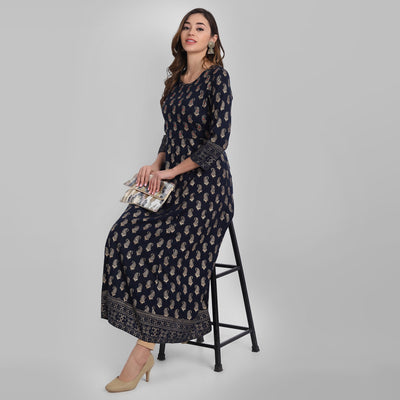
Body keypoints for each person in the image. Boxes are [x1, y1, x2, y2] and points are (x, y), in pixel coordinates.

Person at [101, 7, 234, 393]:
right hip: (169, 181)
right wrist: (156, 164)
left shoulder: (218, 78)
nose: (191, 32)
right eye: (187, 26)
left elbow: (218, 140)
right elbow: (170, 134)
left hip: (207, 188)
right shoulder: (176, 79)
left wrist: (173, 171)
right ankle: (149, 328)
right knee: (122, 235)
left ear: (212, 39)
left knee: (171, 247)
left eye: (200, 28)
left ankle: (142, 352)